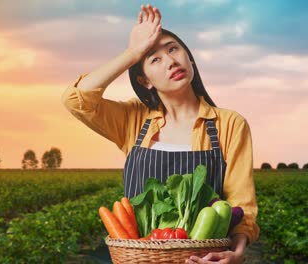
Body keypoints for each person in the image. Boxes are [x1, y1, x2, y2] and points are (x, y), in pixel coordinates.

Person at [61, 4, 259, 263]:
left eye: (173, 49)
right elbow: (76, 100)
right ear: (145, 80)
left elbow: (241, 204)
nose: (171, 61)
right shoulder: (134, 120)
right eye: (155, 59)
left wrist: (238, 252)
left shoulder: (229, 124)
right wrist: (133, 53)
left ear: (190, 58)